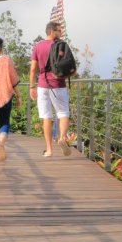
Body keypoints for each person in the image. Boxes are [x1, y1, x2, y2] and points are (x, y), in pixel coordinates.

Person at [29, 21, 71, 157]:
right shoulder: (62, 45)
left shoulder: (38, 46)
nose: (61, 33)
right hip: (58, 84)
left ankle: (49, 150)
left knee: (46, 116)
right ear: (52, 32)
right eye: (59, 30)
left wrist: (31, 86)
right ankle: (62, 138)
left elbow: (33, 69)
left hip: (42, 85)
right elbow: (70, 65)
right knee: (63, 112)